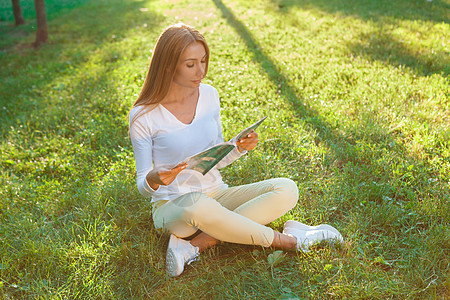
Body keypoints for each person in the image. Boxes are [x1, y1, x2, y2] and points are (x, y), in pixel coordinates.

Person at [129, 23, 343, 277]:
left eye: (203, 61)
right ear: (167, 65)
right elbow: (143, 183)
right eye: (190, 64)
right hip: (173, 207)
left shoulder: (209, 95)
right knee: (197, 205)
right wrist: (155, 179)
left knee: (286, 189)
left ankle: (197, 245)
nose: (201, 71)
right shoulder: (143, 116)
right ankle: (291, 242)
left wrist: (237, 148)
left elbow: (214, 159)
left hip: (216, 194)